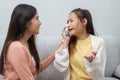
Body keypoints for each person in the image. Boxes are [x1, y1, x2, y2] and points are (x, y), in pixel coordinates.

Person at [0, 4, 55, 80]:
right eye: (37, 19)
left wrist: (56, 53)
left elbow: (34, 71)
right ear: (25, 22)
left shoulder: (26, 44)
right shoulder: (16, 47)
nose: (40, 23)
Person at [54, 8, 106, 80]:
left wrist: (92, 62)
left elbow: (99, 76)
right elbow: (61, 67)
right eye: (67, 22)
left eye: (71, 21)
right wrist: (66, 42)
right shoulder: (67, 42)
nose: (68, 25)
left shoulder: (99, 42)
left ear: (84, 22)